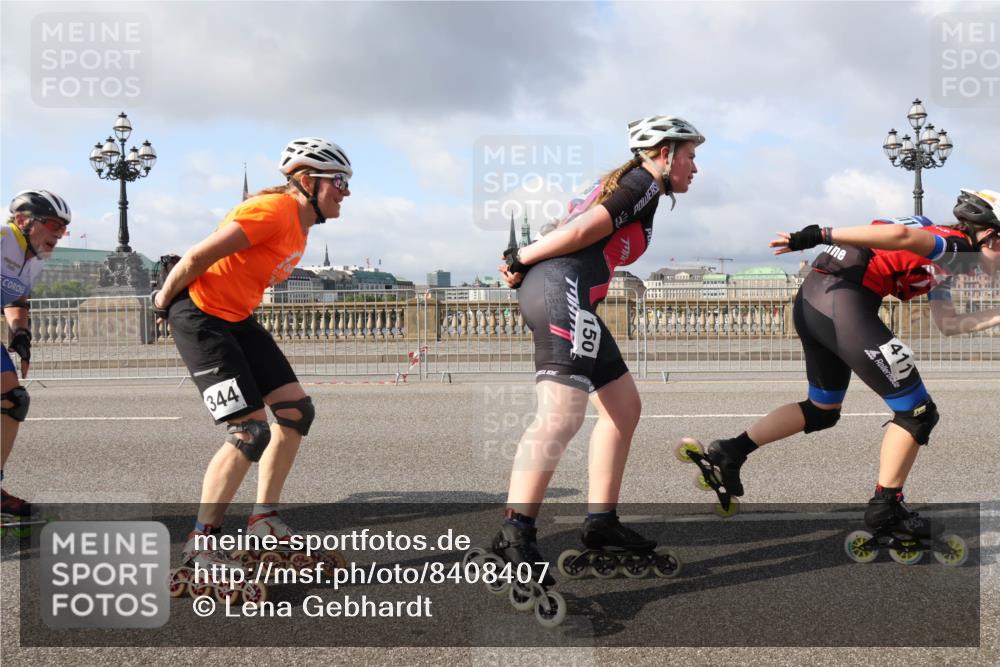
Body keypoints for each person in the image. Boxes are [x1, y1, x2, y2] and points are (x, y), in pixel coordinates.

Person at [688, 189, 1000, 544]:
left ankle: (729, 451)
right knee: (917, 411)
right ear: (989, 235)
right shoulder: (960, 247)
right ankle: (886, 509)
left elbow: (948, 323)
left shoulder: (946, 255)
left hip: (816, 299)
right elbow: (902, 236)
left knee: (822, 410)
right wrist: (821, 234)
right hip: (842, 301)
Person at [493, 117, 703, 588]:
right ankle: (516, 531)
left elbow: (572, 224)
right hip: (561, 287)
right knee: (561, 414)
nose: (695, 166)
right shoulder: (643, 181)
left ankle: (601, 521)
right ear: (664, 153)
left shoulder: (630, 182)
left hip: (568, 290)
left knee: (624, 407)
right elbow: (587, 226)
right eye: (690, 155)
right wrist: (521, 259)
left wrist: (525, 261)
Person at [152, 138, 351, 572]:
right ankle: (200, 543)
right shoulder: (273, 211)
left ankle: (263, 518)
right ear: (306, 181)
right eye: (338, 181)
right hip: (201, 316)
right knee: (249, 432)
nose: (345, 191)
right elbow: (199, 255)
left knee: (296, 412)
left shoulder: (299, 224)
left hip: (236, 318)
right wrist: (163, 302)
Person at [1, 190, 71, 526]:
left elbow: (16, 299)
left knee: (14, 400)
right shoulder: (2, 240)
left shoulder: (35, 259)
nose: (59, 233)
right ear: (22, 221)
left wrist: (21, 334)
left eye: (64, 227)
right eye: (54, 224)